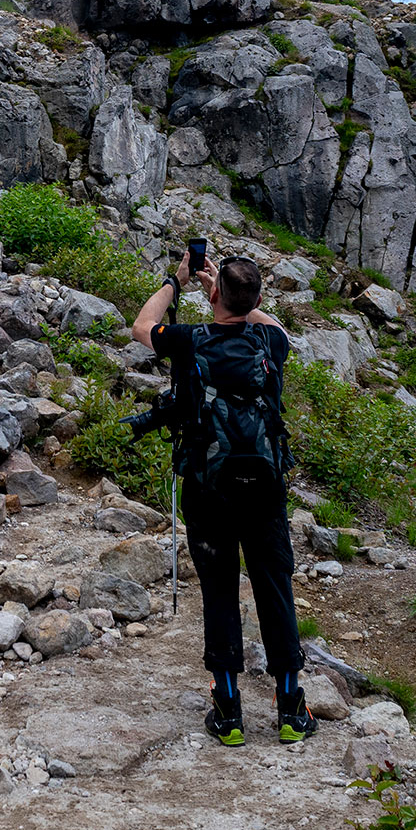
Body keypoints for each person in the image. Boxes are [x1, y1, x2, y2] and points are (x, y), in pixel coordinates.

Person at [127, 251, 316, 747]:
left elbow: (141, 325)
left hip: (208, 489)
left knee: (219, 591)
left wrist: (178, 279)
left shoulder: (189, 340)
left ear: (213, 296)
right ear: (256, 300)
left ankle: (229, 711)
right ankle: (292, 710)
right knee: (275, 587)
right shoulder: (270, 340)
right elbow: (269, 318)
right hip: (265, 488)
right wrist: (234, 295)